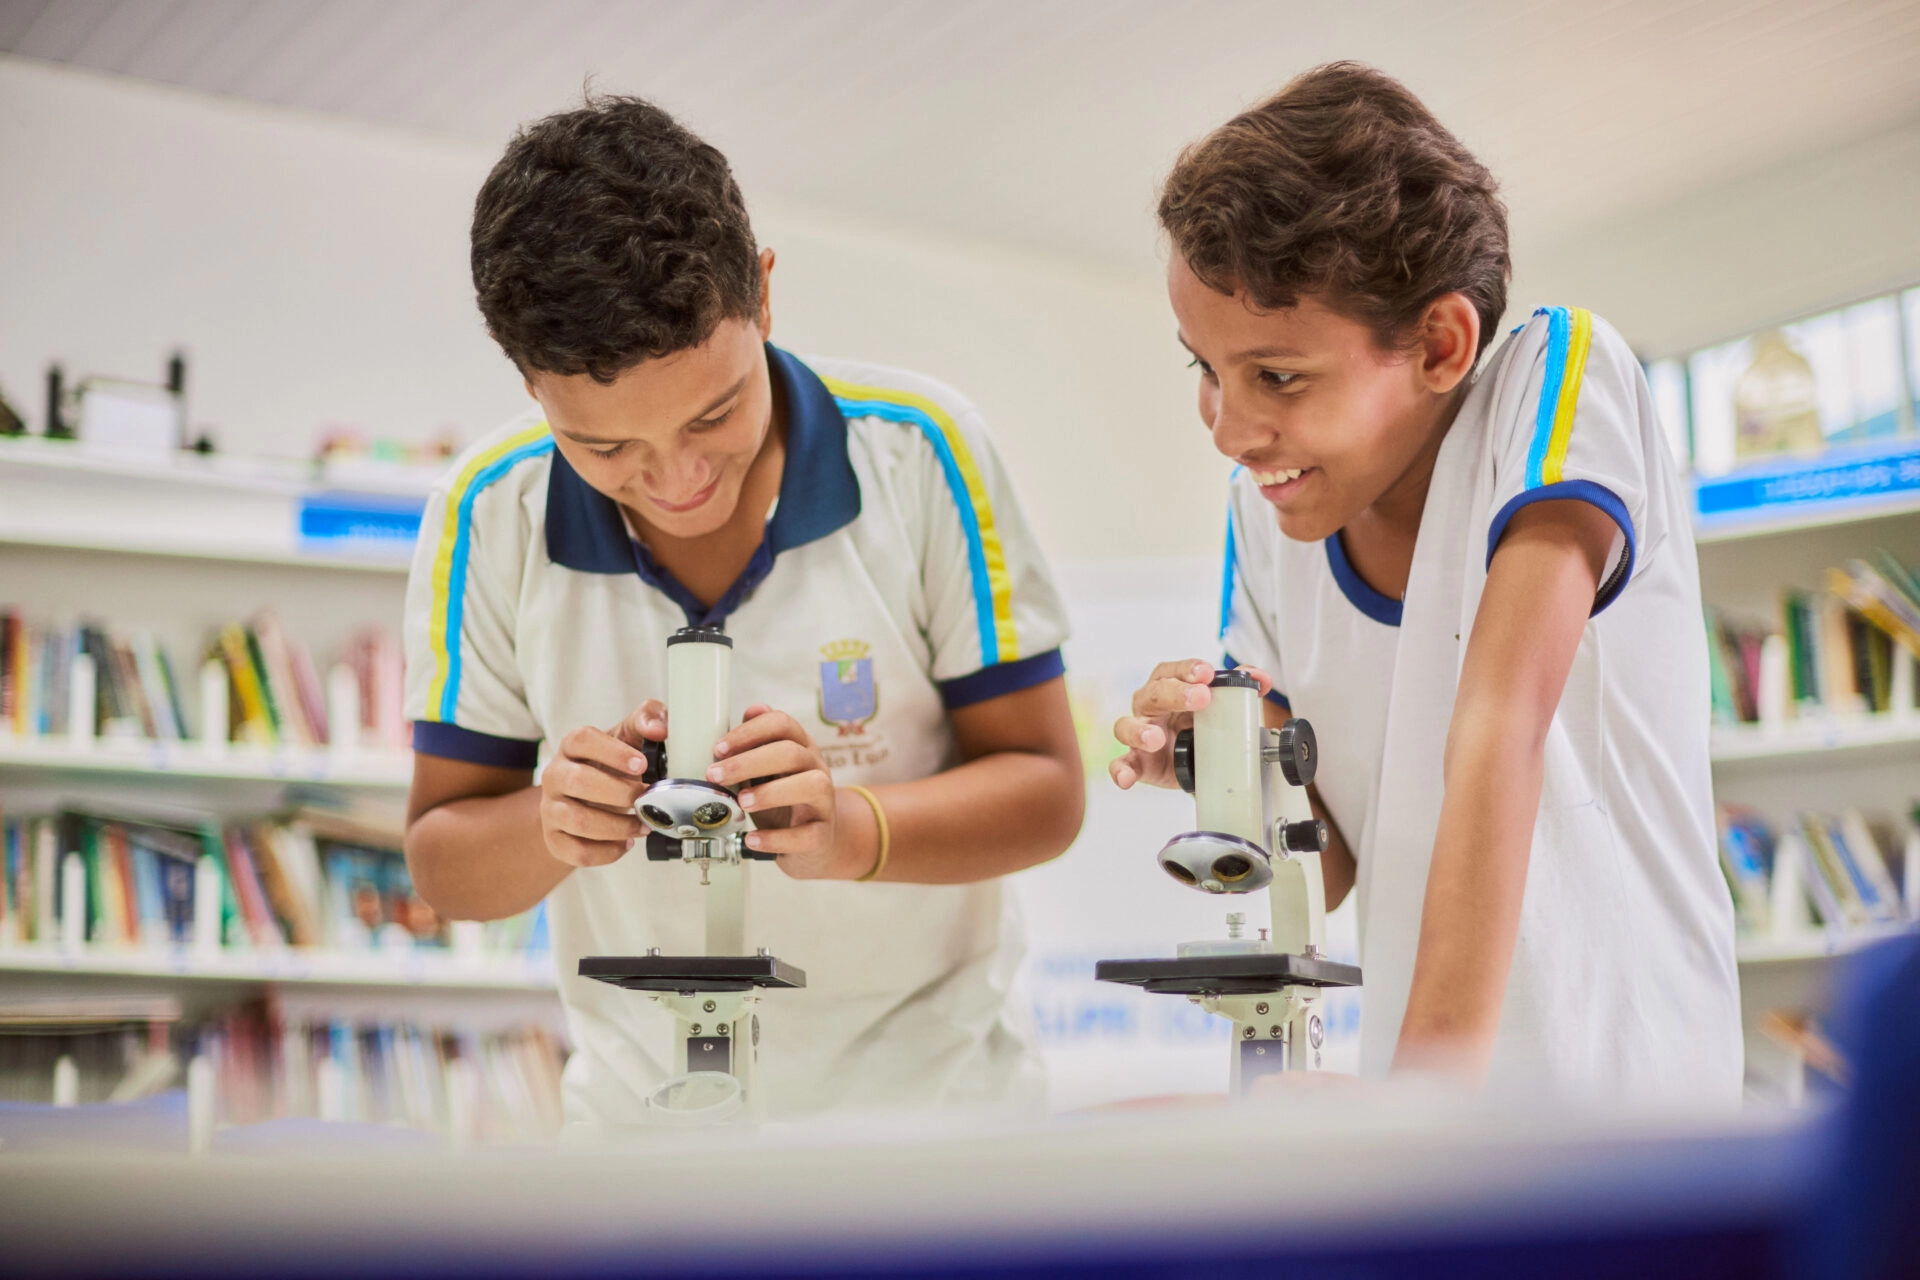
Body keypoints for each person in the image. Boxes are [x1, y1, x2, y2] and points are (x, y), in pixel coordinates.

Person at [401, 97, 1084, 1123]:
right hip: (644, 1133)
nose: (677, 479)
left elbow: (1047, 790)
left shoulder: (923, 454)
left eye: (714, 412)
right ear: (529, 382)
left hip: (935, 1114)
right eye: (605, 449)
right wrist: (553, 821)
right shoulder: (486, 514)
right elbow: (443, 862)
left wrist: (853, 828)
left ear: (762, 294)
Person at [1110, 63, 1740, 1101]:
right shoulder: (1262, 522)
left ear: (1442, 344)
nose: (1229, 427)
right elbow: (1334, 867)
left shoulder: (1557, 378)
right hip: (1429, 1104)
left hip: (1624, 1101)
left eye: (1277, 375)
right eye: (1203, 370)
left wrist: (1420, 1113)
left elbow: (1497, 729)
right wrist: (1246, 757)